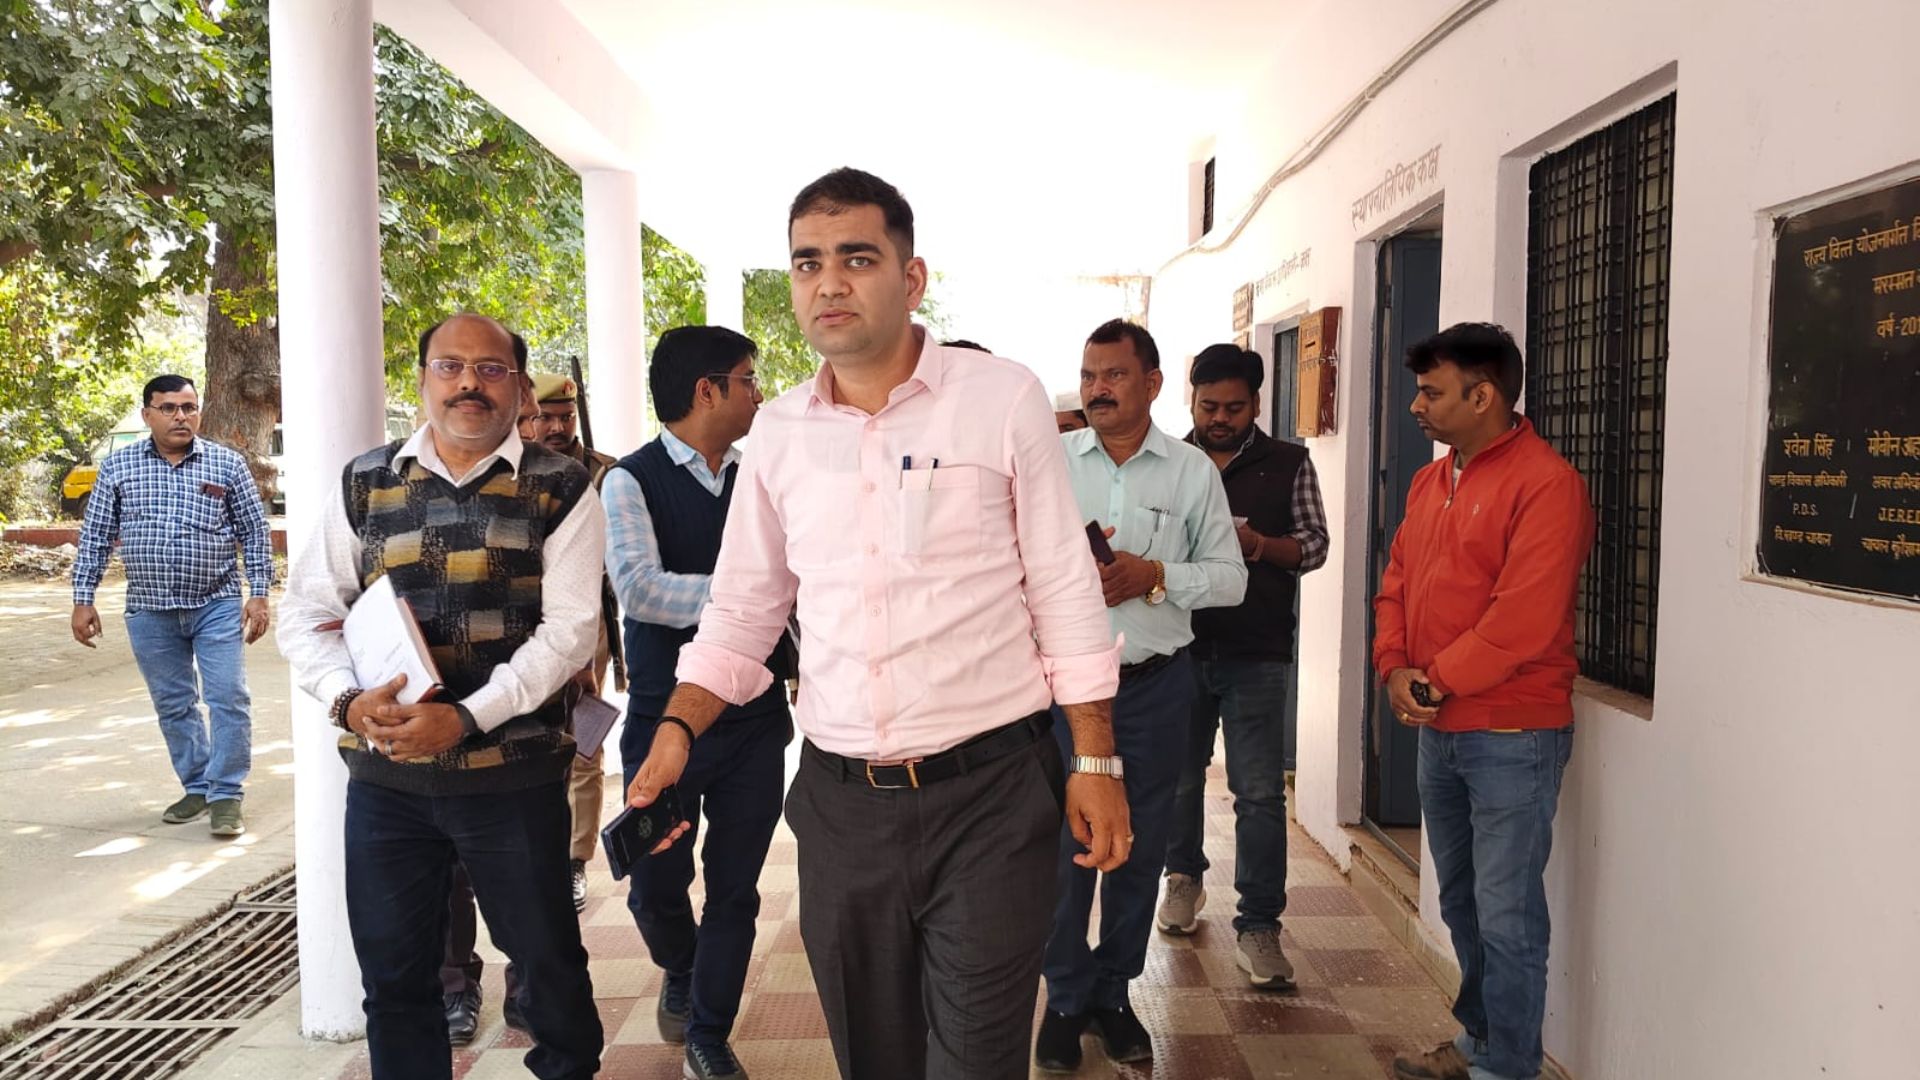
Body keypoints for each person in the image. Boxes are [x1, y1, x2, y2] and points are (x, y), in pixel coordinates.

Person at [622, 167, 1130, 1080]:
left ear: (911, 276)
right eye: (807, 262)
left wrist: (1094, 759)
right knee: (875, 1058)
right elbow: (743, 611)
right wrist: (676, 728)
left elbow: (1062, 583)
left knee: (975, 1062)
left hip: (991, 794)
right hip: (843, 806)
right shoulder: (778, 434)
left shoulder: (1000, 397)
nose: (830, 282)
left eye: (857, 258)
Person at [277, 313, 605, 1080]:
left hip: (512, 779)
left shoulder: (559, 486)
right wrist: (347, 701)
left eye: (490, 369)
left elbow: (570, 634)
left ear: (518, 387)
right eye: (450, 367)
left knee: (549, 968)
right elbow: (306, 611)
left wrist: (463, 717)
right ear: (422, 379)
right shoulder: (367, 482)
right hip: (387, 783)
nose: (468, 384)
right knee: (396, 980)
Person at [1373, 323, 1593, 1080]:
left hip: (1512, 733)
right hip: (1441, 729)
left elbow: (1523, 617)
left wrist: (1435, 680)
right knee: (1462, 901)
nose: (1416, 406)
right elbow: (1397, 581)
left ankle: (1508, 1067)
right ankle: (1482, 1043)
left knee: (1507, 913)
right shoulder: (1430, 482)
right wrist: (1394, 666)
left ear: (1483, 396)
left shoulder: (1547, 485)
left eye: (1431, 392)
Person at [1038, 320, 1246, 1072]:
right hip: (1061, 699)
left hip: (1156, 690)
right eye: (1088, 375)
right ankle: (1064, 1000)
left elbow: (1231, 579)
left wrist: (1154, 575)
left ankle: (1114, 992)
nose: (1097, 388)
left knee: (1140, 843)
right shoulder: (1051, 465)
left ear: (1152, 384)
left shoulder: (1191, 473)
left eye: (1114, 375)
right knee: (1061, 849)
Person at [602, 325, 791, 1080]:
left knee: (735, 890)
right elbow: (641, 590)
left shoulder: (762, 477)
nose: (759, 395)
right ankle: (681, 967)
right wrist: (754, 595)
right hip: (664, 720)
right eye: (748, 380)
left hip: (754, 723)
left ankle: (709, 1031)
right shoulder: (630, 481)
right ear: (707, 390)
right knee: (653, 882)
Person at [1158, 344, 1329, 989]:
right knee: (1179, 781)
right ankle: (1182, 877)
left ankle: (1259, 926)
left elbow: (1313, 546)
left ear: (1256, 403)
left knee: (1258, 795)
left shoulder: (1289, 463)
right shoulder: (1169, 462)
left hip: (1257, 651)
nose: (1219, 419)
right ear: (1191, 400)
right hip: (1178, 647)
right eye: (1208, 407)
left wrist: (1259, 545)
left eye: (1233, 407)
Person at [70, 374, 273, 839]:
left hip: (216, 602)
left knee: (228, 697)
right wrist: (83, 599)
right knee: (174, 704)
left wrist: (259, 593)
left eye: (189, 407)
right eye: (168, 408)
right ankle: (197, 786)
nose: (181, 416)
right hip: (150, 608)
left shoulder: (226, 464)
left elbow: (254, 533)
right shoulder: (119, 467)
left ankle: (226, 795)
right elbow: (96, 537)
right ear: (148, 415)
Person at [528, 371, 620, 911]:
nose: (558, 427)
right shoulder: (513, 469)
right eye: (547, 417)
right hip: (522, 621)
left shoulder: (603, 474)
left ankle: (575, 859)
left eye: (565, 417)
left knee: (583, 739)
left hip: (586, 622)